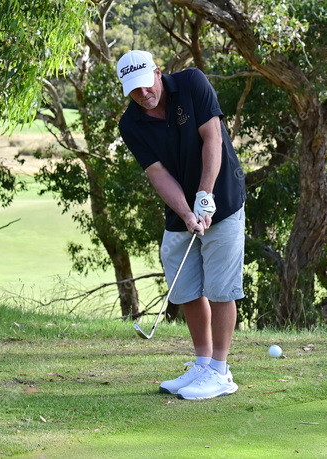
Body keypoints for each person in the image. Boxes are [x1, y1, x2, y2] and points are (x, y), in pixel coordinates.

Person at [117, 50, 246, 400]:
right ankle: (202, 364)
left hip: (222, 197)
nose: (143, 93)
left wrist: (205, 195)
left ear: (158, 73)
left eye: (146, 84)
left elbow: (213, 138)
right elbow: (157, 173)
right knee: (185, 287)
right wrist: (187, 213)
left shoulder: (191, 83)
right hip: (179, 209)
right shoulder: (130, 124)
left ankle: (220, 371)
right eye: (134, 90)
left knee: (220, 288)